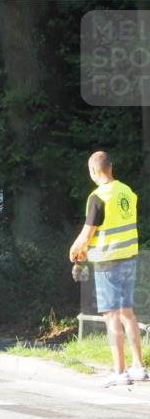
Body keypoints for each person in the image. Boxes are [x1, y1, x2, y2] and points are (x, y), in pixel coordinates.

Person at [68, 151, 145, 387]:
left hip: (107, 262)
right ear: (111, 167)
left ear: (93, 171)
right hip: (129, 258)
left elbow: (88, 232)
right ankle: (139, 368)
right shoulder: (127, 192)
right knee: (127, 314)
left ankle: (119, 371)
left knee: (111, 316)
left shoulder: (97, 197)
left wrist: (75, 248)